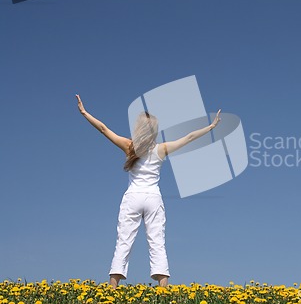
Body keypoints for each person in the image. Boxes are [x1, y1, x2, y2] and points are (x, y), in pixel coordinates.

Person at [75, 94, 221, 288]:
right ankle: (163, 289)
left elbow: (103, 129)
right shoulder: (161, 149)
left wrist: (85, 113)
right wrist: (210, 127)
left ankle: (112, 288)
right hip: (153, 198)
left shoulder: (129, 147)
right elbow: (189, 137)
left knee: (123, 241)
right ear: (154, 131)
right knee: (157, 242)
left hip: (132, 197)